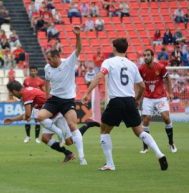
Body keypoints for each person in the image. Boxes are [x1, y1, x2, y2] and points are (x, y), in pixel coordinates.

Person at [82, 38, 168, 171]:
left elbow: (99, 77)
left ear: (114, 48)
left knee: (104, 130)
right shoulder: (132, 65)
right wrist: (137, 99)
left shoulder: (109, 62)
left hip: (116, 101)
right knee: (139, 130)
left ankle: (110, 164)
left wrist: (87, 92)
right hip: (129, 100)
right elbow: (142, 86)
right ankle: (159, 153)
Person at [4, 81, 100, 163]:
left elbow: (28, 115)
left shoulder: (26, 94)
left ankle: (88, 124)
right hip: (49, 116)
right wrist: (13, 119)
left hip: (57, 114)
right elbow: (28, 114)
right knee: (45, 138)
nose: (13, 95)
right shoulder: (28, 91)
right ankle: (68, 154)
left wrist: (27, 117)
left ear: (14, 91)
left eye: (11, 93)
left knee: (70, 141)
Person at [37, 26, 87, 165]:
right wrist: (47, 96)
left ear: (56, 57)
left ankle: (82, 157)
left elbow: (78, 49)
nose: (47, 61)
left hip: (67, 100)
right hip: (53, 99)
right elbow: (47, 81)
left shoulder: (68, 63)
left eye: (49, 59)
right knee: (40, 117)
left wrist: (77, 35)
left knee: (72, 125)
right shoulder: (48, 68)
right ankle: (59, 132)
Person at [138, 49, 176, 154]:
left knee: (166, 117)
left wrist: (170, 92)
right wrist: (137, 96)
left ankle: (171, 143)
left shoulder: (160, 67)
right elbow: (137, 82)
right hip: (148, 97)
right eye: (144, 55)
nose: (145, 57)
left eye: (147, 55)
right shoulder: (141, 69)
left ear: (152, 56)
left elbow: (168, 78)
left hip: (160, 96)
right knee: (146, 120)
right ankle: (145, 147)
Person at [22, 66, 45, 143]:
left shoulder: (40, 81)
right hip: (29, 103)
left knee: (37, 119)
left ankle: (36, 138)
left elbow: (44, 92)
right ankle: (28, 136)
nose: (33, 72)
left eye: (34, 71)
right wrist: (23, 102)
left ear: (36, 71)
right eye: (31, 71)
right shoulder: (26, 80)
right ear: (30, 71)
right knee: (27, 118)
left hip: (37, 103)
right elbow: (23, 92)